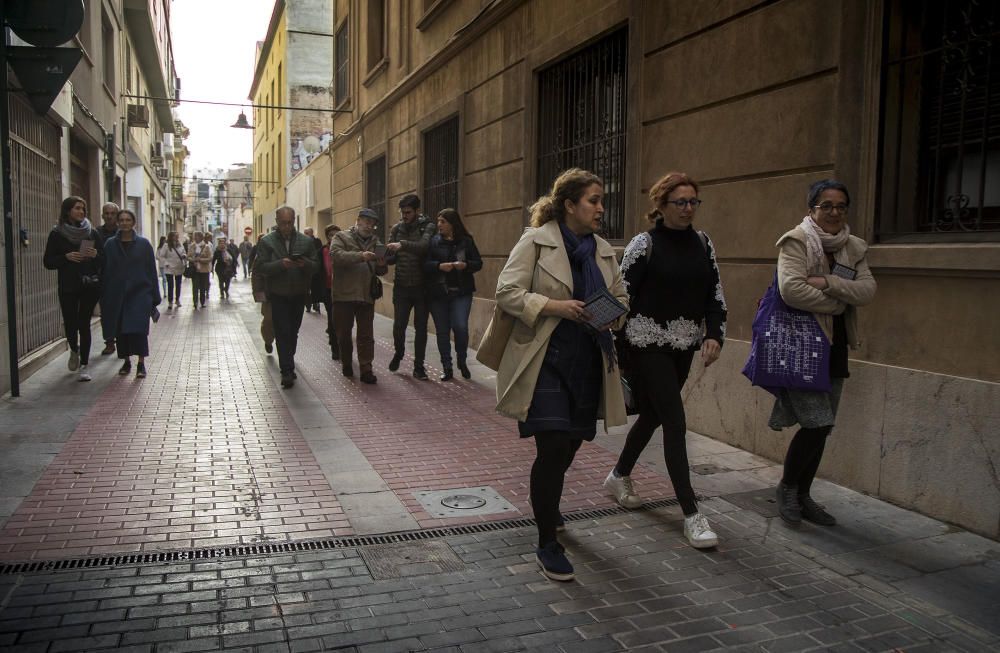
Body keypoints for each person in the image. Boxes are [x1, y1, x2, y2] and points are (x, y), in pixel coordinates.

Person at [493, 168, 628, 582]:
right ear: (569, 205)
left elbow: (621, 299)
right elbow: (507, 292)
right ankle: (547, 540)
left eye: (601, 199)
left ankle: (548, 509)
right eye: (593, 200)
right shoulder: (535, 241)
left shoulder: (604, 250)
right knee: (552, 449)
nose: (601, 208)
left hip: (588, 360)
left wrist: (604, 317)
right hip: (544, 358)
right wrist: (557, 307)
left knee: (570, 444)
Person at [606, 172, 727, 550]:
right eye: (681, 202)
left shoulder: (703, 244)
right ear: (661, 205)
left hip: (683, 345)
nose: (688, 208)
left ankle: (619, 474)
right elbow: (621, 296)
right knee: (675, 421)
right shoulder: (644, 245)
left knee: (656, 415)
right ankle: (692, 514)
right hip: (646, 344)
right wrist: (620, 351)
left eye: (693, 201)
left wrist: (713, 334)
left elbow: (714, 293)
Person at [771, 180, 876, 526]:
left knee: (824, 426)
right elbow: (791, 290)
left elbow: (867, 290)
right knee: (817, 423)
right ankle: (787, 489)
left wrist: (829, 283)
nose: (834, 212)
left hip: (837, 346)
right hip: (804, 345)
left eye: (840, 206)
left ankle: (803, 494)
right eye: (826, 206)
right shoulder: (796, 241)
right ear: (812, 209)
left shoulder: (854, 248)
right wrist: (837, 303)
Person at [252, 207, 318, 388]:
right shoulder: (267, 242)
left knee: (293, 331)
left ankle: (289, 359)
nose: (286, 227)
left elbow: (316, 266)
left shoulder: (306, 241)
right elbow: (261, 267)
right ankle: (287, 371)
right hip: (278, 294)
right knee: (282, 331)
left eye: (290, 223)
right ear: (277, 221)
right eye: (283, 223)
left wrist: (305, 264)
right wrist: (281, 265)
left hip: (299, 294)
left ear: (294, 221)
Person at [43, 196, 104, 382]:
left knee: (84, 324)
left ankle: (84, 366)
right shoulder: (57, 234)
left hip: (89, 285)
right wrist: (66, 257)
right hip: (68, 286)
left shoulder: (91, 233)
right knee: (70, 323)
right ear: (67, 210)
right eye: (77, 208)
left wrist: (95, 255)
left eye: (83, 209)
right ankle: (74, 350)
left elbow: (104, 259)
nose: (81, 212)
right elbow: (48, 262)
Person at [100, 209, 161, 378]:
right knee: (121, 331)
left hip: (140, 294)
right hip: (117, 295)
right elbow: (105, 270)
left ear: (133, 223)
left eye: (128, 220)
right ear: (117, 222)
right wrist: (105, 294)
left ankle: (141, 363)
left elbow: (151, 271)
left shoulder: (143, 244)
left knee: (139, 330)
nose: (125, 222)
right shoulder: (110, 245)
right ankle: (126, 361)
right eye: (122, 220)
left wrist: (154, 298)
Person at [329, 208, 388, 384]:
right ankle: (347, 362)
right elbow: (336, 257)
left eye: (373, 224)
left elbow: (381, 271)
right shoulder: (341, 237)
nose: (370, 227)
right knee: (344, 334)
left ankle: (366, 369)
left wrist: (382, 264)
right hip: (343, 294)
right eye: (367, 222)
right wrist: (361, 256)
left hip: (365, 294)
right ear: (358, 221)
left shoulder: (376, 242)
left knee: (366, 336)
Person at [424, 209, 483, 381]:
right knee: (442, 331)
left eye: (443, 221)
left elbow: (478, 263)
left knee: (460, 327)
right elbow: (425, 264)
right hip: (438, 294)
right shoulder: (434, 242)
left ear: (452, 224)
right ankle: (447, 367)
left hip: (461, 293)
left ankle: (462, 360)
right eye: (438, 221)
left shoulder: (466, 241)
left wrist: (465, 265)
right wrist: (438, 266)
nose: (439, 225)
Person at [386, 194, 436, 379]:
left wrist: (402, 245)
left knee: (420, 328)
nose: (404, 215)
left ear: (417, 211)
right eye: (402, 212)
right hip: (401, 287)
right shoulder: (397, 228)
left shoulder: (428, 226)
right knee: (398, 326)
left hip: (422, 287)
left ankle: (419, 367)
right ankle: (399, 353)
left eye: (408, 212)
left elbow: (424, 246)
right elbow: (391, 259)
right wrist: (384, 256)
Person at [97, 202, 119, 355]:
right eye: (107, 213)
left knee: (121, 311)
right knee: (106, 312)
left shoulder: (123, 232)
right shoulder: (95, 233)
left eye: (112, 213)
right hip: (103, 279)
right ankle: (109, 342)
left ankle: (122, 340)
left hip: (121, 278)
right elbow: (86, 252)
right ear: (102, 215)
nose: (109, 216)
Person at [249, 233, 274, 353]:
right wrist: (258, 294)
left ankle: (285, 350)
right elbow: (256, 275)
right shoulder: (261, 256)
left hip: (284, 293)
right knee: (268, 320)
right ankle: (268, 340)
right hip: (269, 294)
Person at [321, 224, 342, 360]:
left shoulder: (344, 249)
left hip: (343, 289)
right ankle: (335, 348)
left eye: (336, 234)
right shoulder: (322, 251)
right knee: (332, 319)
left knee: (343, 320)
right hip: (328, 290)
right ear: (327, 237)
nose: (333, 237)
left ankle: (341, 345)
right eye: (330, 235)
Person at [157, 232, 186, 309]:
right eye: (175, 236)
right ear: (171, 237)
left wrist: (184, 255)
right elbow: (161, 256)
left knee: (178, 284)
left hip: (178, 267)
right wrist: (166, 263)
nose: (177, 237)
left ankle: (177, 300)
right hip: (169, 268)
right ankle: (170, 302)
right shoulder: (166, 245)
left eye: (177, 236)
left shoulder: (180, 244)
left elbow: (183, 252)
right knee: (170, 285)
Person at [187, 232, 213, 309]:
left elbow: (210, 258)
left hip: (204, 270)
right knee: (195, 286)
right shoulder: (192, 246)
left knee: (203, 286)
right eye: (195, 236)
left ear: (201, 237)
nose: (195, 238)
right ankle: (195, 302)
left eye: (197, 236)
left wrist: (201, 260)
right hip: (195, 270)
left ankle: (202, 302)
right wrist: (193, 260)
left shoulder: (206, 246)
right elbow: (188, 256)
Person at [304, 227, 325, 313]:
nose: (305, 234)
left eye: (307, 233)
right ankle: (308, 305)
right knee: (306, 288)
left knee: (315, 287)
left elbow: (319, 253)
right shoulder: (303, 242)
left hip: (315, 268)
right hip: (306, 268)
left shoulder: (317, 241)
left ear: (311, 233)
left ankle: (316, 304)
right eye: (304, 233)